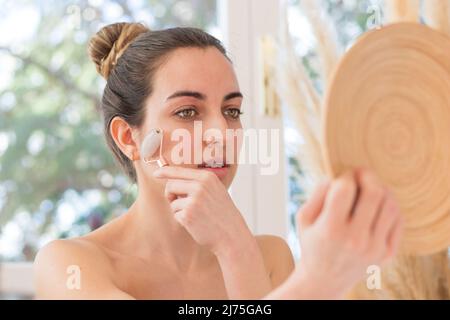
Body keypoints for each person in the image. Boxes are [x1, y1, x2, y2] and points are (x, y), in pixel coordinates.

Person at [33, 22, 403, 300]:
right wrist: (317, 280)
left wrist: (238, 250)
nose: (221, 133)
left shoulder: (271, 255)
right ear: (129, 137)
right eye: (188, 111)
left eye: (232, 110)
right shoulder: (71, 265)